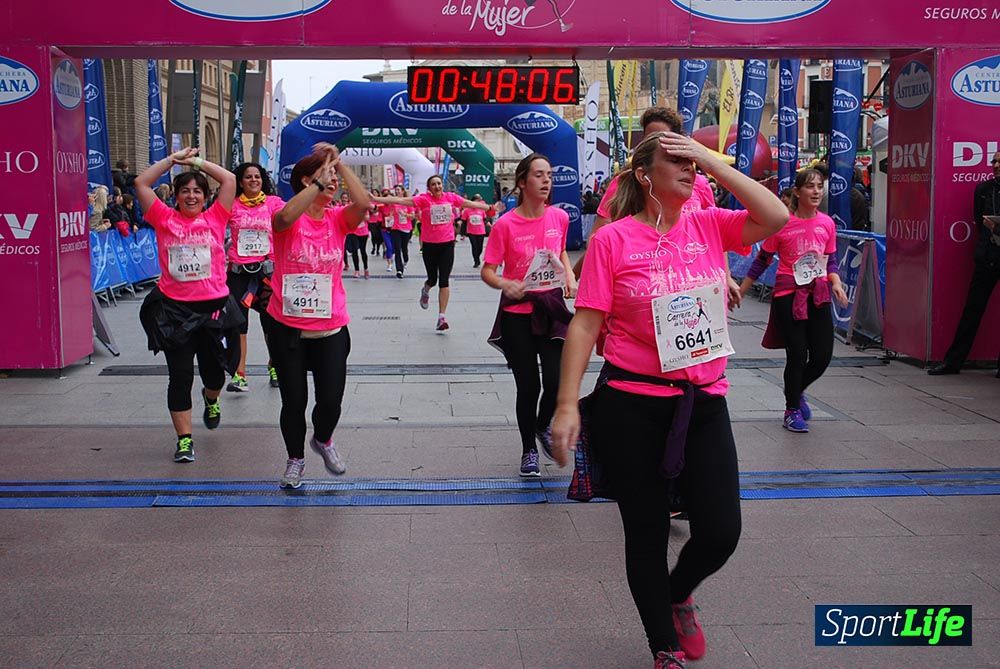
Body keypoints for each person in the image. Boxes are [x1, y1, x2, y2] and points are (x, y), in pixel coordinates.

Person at [551, 130, 788, 668]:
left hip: (703, 402)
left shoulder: (710, 225)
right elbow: (586, 325)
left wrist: (712, 162)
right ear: (644, 176)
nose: (691, 171)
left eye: (694, 165)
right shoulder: (614, 239)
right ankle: (663, 647)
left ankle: (678, 593)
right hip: (631, 405)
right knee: (647, 529)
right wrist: (567, 403)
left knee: (722, 530)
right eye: (676, 162)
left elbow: (774, 217)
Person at [264, 143, 370, 489]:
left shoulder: (338, 219)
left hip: (331, 328)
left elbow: (364, 205)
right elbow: (281, 221)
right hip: (288, 327)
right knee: (294, 401)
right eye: (325, 176)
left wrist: (339, 165)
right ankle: (295, 459)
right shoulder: (286, 212)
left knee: (330, 402)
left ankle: (323, 439)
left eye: (334, 177)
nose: (332, 181)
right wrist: (315, 183)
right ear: (306, 181)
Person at [135, 148, 241, 463]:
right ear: (176, 197)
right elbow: (141, 183)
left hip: (214, 311)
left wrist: (195, 162)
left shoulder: (216, 216)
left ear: (207, 197)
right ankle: (184, 440)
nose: (191, 196)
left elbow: (229, 179)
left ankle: (211, 399)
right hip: (175, 312)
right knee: (179, 376)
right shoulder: (163, 218)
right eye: (185, 191)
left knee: (215, 375)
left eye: (197, 191)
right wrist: (172, 160)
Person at [574, 107, 738, 309]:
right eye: (649, 137)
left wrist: (726, 276)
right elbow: (597, 238)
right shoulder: (622, 183)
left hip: (695, 291)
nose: (654, 142)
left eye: (664, 137)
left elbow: (716, 239)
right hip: (641, 289)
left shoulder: (699, 185)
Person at [481, 154, 577, 477]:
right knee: (529, 386)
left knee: (555, 380)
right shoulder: (505, 224)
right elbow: (488, 270)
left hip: (550, 308)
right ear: (522, 182)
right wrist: (506, 284)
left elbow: (561, 250)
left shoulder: (559, 218)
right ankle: (528, 451)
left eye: (549, 174)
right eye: (539, 175)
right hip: (518, 314)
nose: (547, 180)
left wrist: (569, 275)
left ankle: (541, 426)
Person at [739, 168, 849, 433]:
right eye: (810, 187)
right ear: (797, 192)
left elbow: (830, 259)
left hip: (819, 294)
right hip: (789, 296)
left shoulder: (827, 224)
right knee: (798, 355)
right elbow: (761, 261)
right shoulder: (781, 224)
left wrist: (835, 282)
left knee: (822, 356)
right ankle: (791, 410)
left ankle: (796, 391)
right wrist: (741, 290)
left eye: (820, 187)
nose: (816, 192)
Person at [373, 175, 493, 332]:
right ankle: (426, 290)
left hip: (447, 244)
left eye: (439, 183)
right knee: (433, 279)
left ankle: (441, 317)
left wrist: (489, 208)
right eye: (433, 184)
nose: (437, 186)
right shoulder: (423, 200)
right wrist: (374, 198)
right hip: (429, 246)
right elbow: (400, 201)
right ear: (429, 188)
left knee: (444, 280)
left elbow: (469, 203)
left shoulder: (450, 197)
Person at [928, 151, 1000, 376]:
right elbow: (979, 222)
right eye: (994, 161)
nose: (996, 165)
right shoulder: (983, 190)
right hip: (988, 256)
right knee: (972, 309)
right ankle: (953, 361)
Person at [225, 161, 284, 393]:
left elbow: (290, 217)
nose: (253, 180)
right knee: (239, 325)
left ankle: (275, 366)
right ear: (240, 181)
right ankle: (240, 374)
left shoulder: (273, 203)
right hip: (238, 274)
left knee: (272, 324)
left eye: (257, 177)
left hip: (266, 274)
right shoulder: (232, 205)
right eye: (248, 177)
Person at [343, 192, 371, 279]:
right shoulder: (350, 207)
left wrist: (359, 214)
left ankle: (366, 269)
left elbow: (367, 218)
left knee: (363, 251)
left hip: (363, 232)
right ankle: (357, 270)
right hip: (353, 231)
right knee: (355, 251)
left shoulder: (364, 207)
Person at [389, 185, 414, 278]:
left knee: (404, 248)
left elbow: (412, 216)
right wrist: (390, 217)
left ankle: (406, 259)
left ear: (403, 191)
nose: (397, 192)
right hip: (395, 228)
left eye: (398, 190)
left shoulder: (408, 202)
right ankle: (399, 270)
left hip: (406, 228)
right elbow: (390, 213)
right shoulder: (394, 203)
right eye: (396, 190)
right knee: (397, 250)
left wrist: (405, 214)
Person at [461, 193, 489, 268]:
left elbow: (485, 219)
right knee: (474, 247)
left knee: (479, 248)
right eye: (477, 200)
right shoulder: (467, 211)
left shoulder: (482, 210)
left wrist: (488, 223)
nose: (479, 202)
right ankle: (476, 261)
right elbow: (464, 222)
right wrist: (462, 233)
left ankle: (477, 256)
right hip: (471, 232)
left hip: (481, 231)